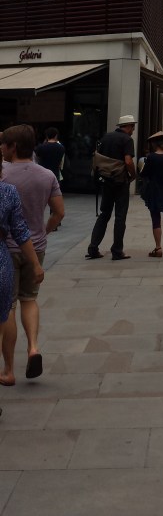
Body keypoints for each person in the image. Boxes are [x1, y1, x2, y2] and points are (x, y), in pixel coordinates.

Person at [0, 124, 63, 386]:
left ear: (13, 147)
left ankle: (8, 369)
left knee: (8, 307)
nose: (1, 148)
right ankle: (33, 347)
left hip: (6, 249)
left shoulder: (3, 175)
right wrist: (44, 232)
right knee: (29, 299)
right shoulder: (47, 175)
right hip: (35, 246)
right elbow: (59, 212)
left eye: (3, 144)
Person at [0, 157, 45, 409]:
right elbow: (20, 231)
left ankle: (8, 369)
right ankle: (16, 361)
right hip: (1, 262)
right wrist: (36, 264)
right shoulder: (7, 192)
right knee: (8, 310)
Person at [86, 115, 136, 261]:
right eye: (132, 127)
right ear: (128, 126)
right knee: (120, 216)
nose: (133, 130)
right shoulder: (127, 140)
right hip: (120, 181)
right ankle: (117, 250)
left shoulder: (106, 137)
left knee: (104, 214)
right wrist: (133, 175)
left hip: (106, 180)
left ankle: (93, 247)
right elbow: (128, 161)